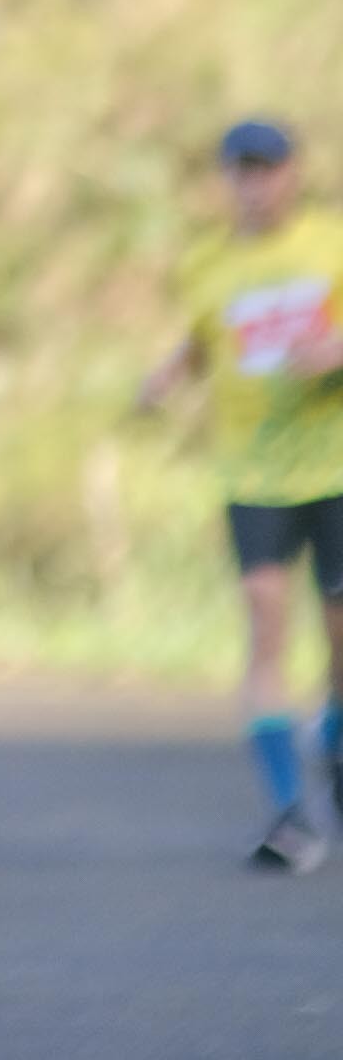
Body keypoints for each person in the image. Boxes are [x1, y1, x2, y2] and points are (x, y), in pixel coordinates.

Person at [137, 116, 343, 872]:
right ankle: (289, 815)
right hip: (251, 475)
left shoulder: (331, 245)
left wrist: (335, 350)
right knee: (264, 618)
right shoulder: (207, 263)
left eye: (267, 169)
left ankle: (333, 739)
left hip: (334, 470)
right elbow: (204, 341)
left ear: (294, 173)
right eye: (241, 171)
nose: (254, 184)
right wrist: (167, 375)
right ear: (227, 180)